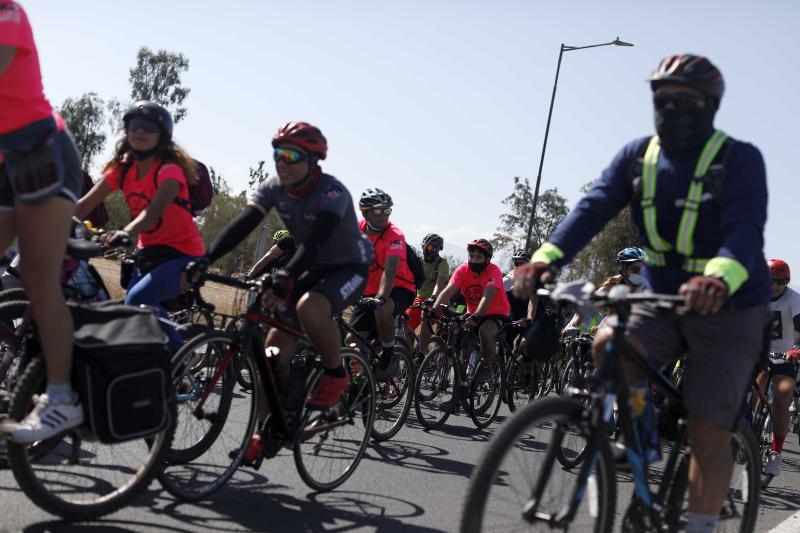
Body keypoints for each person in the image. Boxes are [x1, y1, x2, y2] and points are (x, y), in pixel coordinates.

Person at [515, 54, 769, 533]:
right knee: (609, 342)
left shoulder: (739, 159)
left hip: (729, 305)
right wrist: (546, 258)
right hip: (660, 297)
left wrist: (716, 279)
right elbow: (590, 210)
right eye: (662, 99)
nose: (671, 108)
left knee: (707, 431)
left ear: (710, 107)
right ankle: (644, 435)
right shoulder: (638, 157)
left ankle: (699, 524)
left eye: (685, 100)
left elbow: (744, 231)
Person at [184, 121, 372, 422]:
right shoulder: (274, 187)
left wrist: (286, 275)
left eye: (292, 156)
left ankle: (336, 373)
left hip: (348, 266)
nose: (282, 162)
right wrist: (206, 258)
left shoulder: (332, 193)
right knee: (272, 350)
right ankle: (261, 432)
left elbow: (314, 243)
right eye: (278, 154)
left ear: (312, 162)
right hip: (311, 264)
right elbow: (245, 223)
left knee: (310, 309)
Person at [0, 2, 86, 443]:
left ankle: (61, 399)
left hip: (42, 151)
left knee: (36, 275)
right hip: (6, 157)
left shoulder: (7, 12)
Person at [75, 101, 205, 353]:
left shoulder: (170, 171)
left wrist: (125, 232)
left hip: (183, 255)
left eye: (149, 127)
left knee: (139, 300)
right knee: (130, 311)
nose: (140, 132)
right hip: (148, 254)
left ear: (162, 137)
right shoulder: (122, 169)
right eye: (135, 125)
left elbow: (153, 211)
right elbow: (85, 203)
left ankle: (179, 358)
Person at [347, 188, 416, 380]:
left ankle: (388, 352)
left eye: (387, 210)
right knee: (352, 340)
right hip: (370, 290)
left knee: (383, 309)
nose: (383, 215)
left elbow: (390, 269)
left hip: (400, 288)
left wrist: (381, 296)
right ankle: (360, 380)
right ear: (365, 212)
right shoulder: (356, 229)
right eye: (377, 211)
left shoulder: (395, 235)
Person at [433, 239, 510, 383]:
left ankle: (487, 366)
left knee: (485, 331)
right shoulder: (462, 269)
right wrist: (434, 308)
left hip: (496, 313)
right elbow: (448, 291)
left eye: (478, 257)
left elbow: (486, 297)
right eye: (471, 256)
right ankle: (460, 391)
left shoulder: (494, 271)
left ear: (487, 259)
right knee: (461, 343)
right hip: (473, 312)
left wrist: (476, 316)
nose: (473, 260)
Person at [761, 259, 800, 479]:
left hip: (786, 356)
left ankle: (776, 453)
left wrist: (796, 349)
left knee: (781, 401)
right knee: (753, 392)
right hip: (760, 352)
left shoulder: (794, 299)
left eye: (780, 281)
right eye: (770, 281)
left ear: (786, 282)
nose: (774, 285)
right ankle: (746, 430)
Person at [564, 246, 645, 332]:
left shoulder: (651, 286)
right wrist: (573, 325)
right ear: (624, 270)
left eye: (644, 269)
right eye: (635, 269)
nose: (640, 273)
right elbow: (591, 302)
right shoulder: (615, 282)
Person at [405, 233, 449, 358]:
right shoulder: (419, 262)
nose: (433, 251)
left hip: (437, 300)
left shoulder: (442, 263)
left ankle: (421, 355)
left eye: (436, 249)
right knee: (406, 322)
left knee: (426, 319)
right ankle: (407, 356)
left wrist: (433, 297)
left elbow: (440, 283)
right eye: (430, 247)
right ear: (424, 246)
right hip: (419, 299)